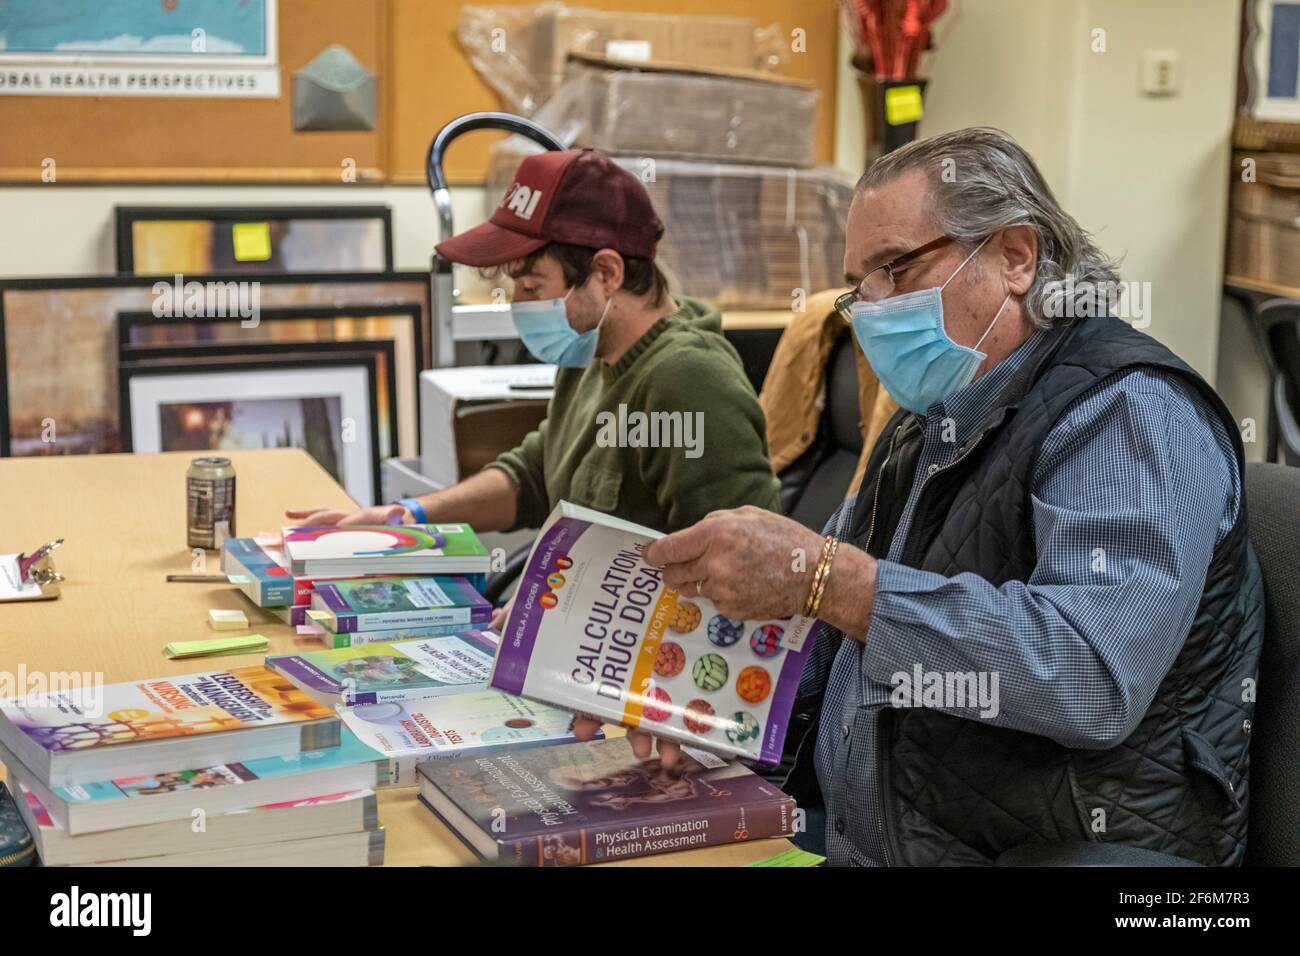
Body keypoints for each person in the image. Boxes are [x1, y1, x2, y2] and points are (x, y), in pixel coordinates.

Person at [577, 127, 1262, 867]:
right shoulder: (932, 421)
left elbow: (1088, 676)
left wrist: (829, 579)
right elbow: (829, 633)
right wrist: (687, 701)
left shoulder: (1126, 412)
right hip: (856, 834)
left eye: (895, 269)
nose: (870, 307)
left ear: (1014, 257)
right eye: (858, 285)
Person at [289, 147, 779, 536]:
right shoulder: (593, 349)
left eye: (531, 285)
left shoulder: (687, 381)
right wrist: (405, 518)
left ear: (605, 272)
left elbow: (742, 570)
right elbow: (534, 477)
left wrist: (562, 613)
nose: (518, 303)